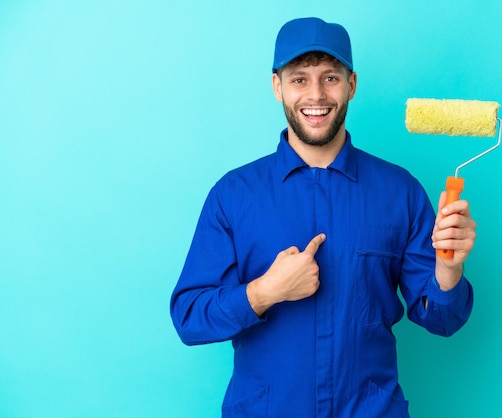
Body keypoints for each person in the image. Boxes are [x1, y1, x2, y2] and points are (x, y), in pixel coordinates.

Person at [171, 17, 476, 418]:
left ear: (351, 84)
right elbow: (189, 317)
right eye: (299, 79)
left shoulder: (399, 192)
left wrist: (448, 271)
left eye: (330, 77)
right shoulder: (234, 195)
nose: (316, 94)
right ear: (277, 86)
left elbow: (443, 320)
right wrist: (264, 292)